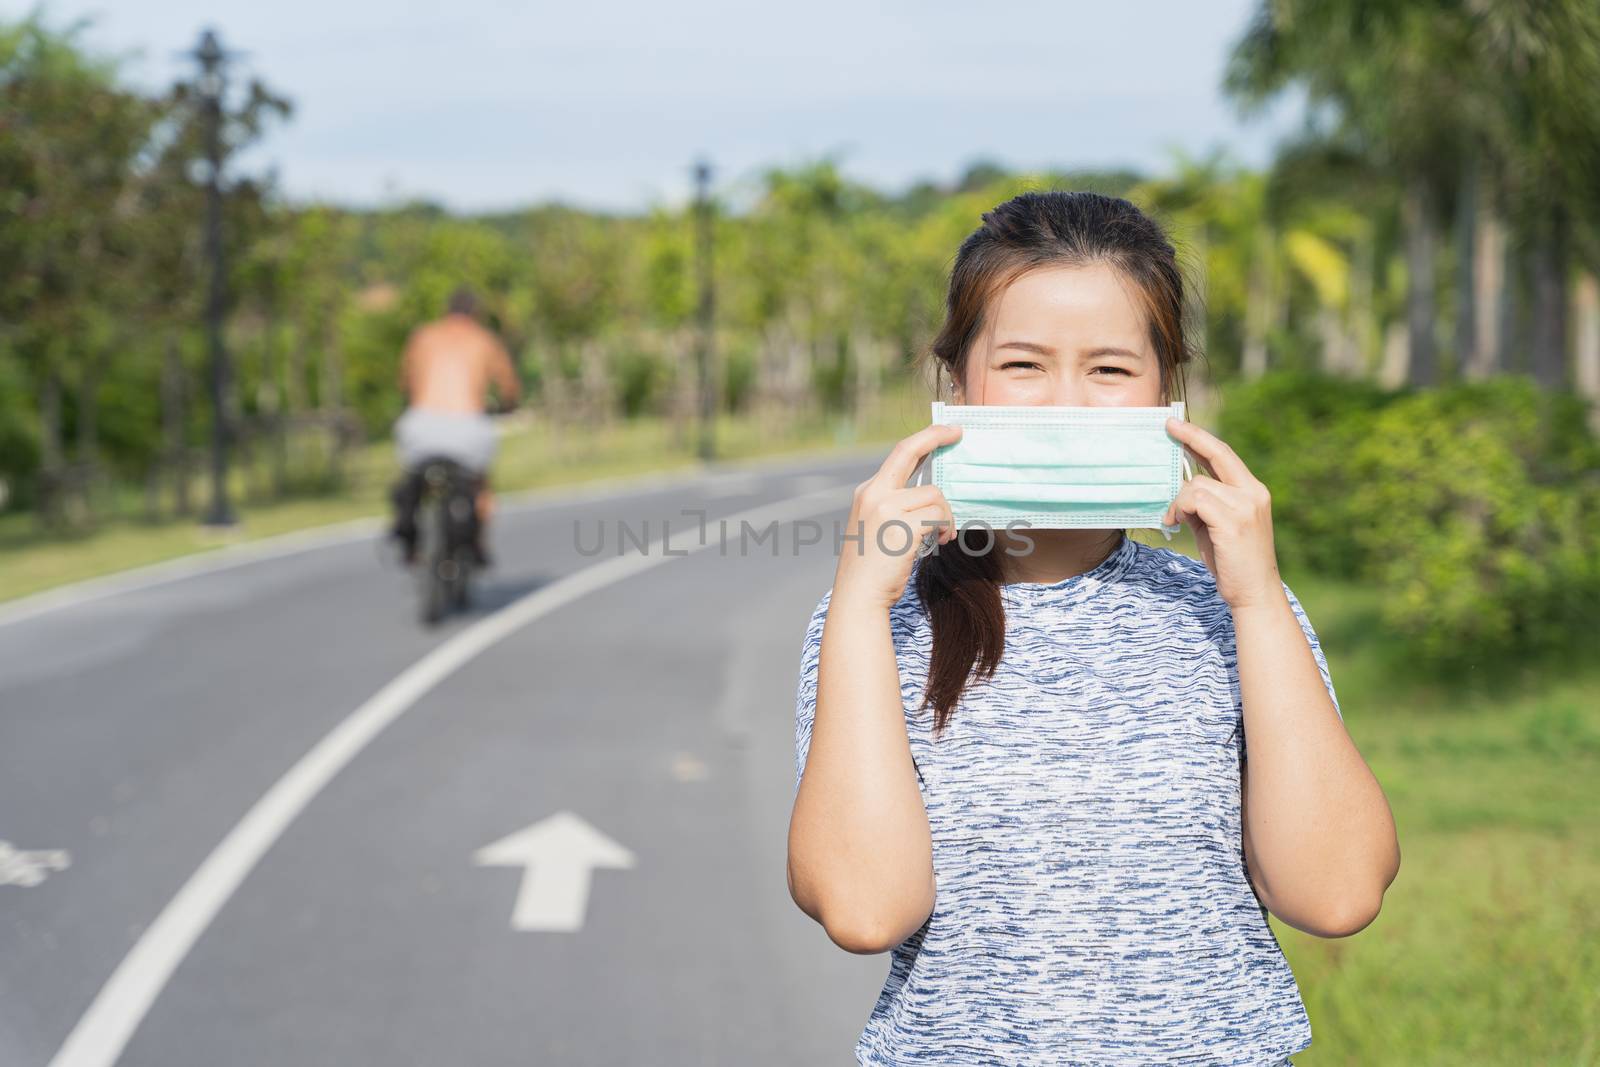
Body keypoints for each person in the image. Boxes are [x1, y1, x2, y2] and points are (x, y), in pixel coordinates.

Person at [785, 191, 1400, 1065]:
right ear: (958, 382)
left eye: (1109, 370)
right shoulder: (876, 624)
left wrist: (1258, 601)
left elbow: (1337, 894)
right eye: (1025, 366)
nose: (1064, 405)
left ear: (1166, 388)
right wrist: (856, 603)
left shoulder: (1232, 613)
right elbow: (863, 908)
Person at [388, 285, 521, 567]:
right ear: (475, 313)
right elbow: (509, 386)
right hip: (467, 426)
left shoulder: (423, 336)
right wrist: (508, 405)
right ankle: (478, 543)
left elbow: (404, 381)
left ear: (447, 310)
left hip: (421, 425)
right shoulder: (484, 339)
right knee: (480, 483)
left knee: (411, 473)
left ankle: (407, 526)